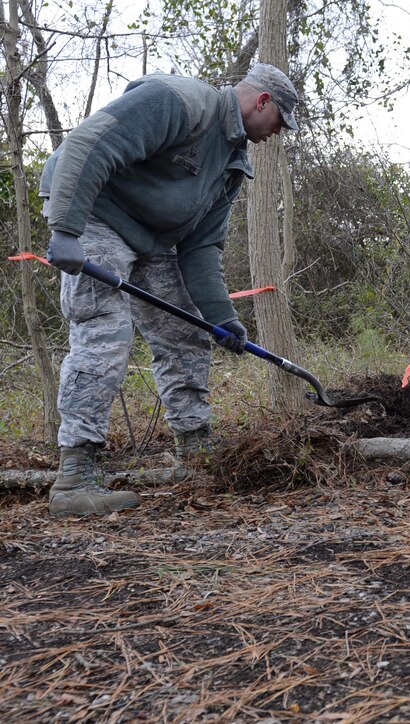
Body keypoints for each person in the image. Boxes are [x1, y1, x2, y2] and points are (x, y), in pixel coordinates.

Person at [39, 63, 300, 516]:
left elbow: (201, 247)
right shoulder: (179, 101)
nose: (276, 134)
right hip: (96, 215)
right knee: (105, 332)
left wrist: (222, 317)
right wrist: (65, 227)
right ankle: (74, 478)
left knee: (186, 332)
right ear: (263, 102)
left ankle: (196, 454)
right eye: (279, 122)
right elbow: (89, 144)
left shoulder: (233, 165)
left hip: (155, 240)